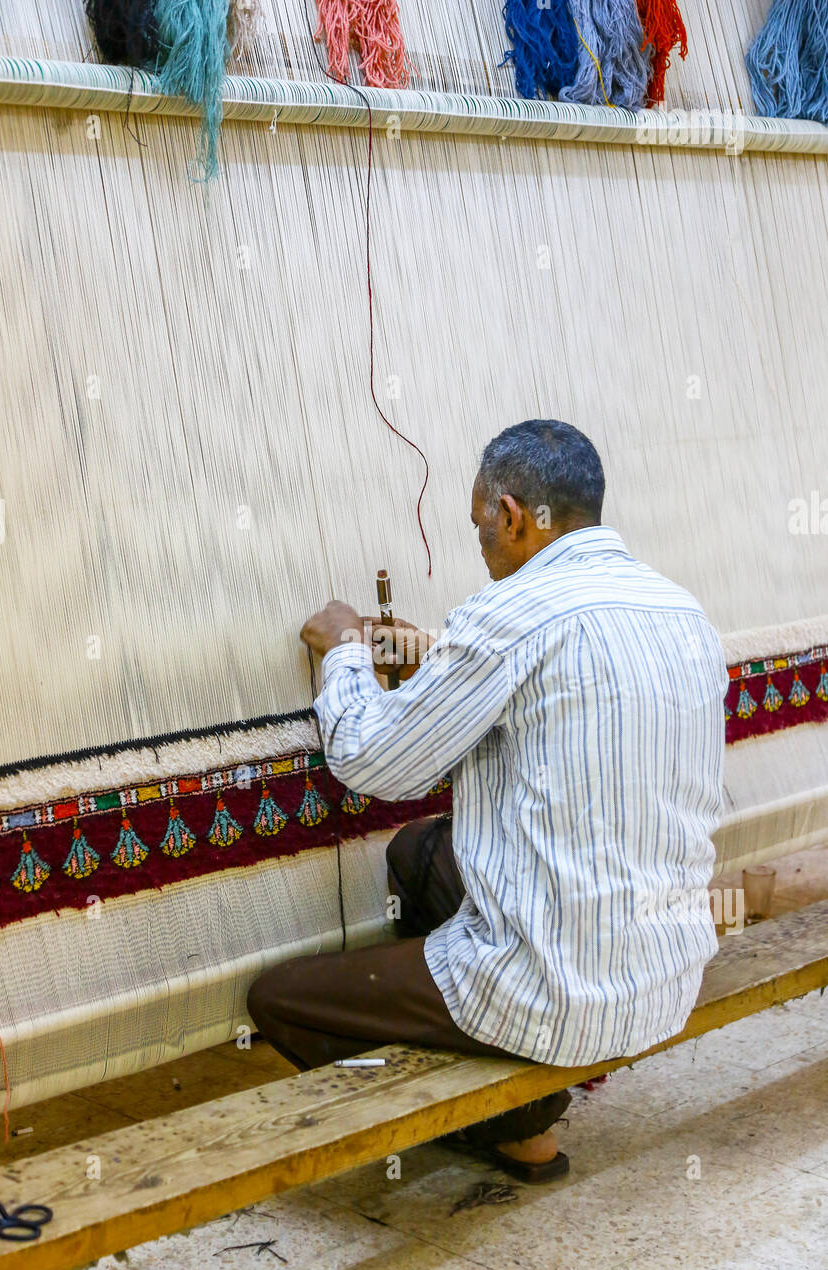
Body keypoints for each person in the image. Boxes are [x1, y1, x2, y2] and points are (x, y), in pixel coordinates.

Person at [248, 419, 728, 1183]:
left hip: (555, 991)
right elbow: (560, 673)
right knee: (418, 852)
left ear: (510, 514)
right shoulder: (681, 612)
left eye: (479, 527)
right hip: (664, 975)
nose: (481, 544)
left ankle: (507, 1120)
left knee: (277, 1000)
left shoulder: (510, 615)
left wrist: (342, 649)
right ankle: (509, 1086)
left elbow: (372, 761)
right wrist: (438, 658)